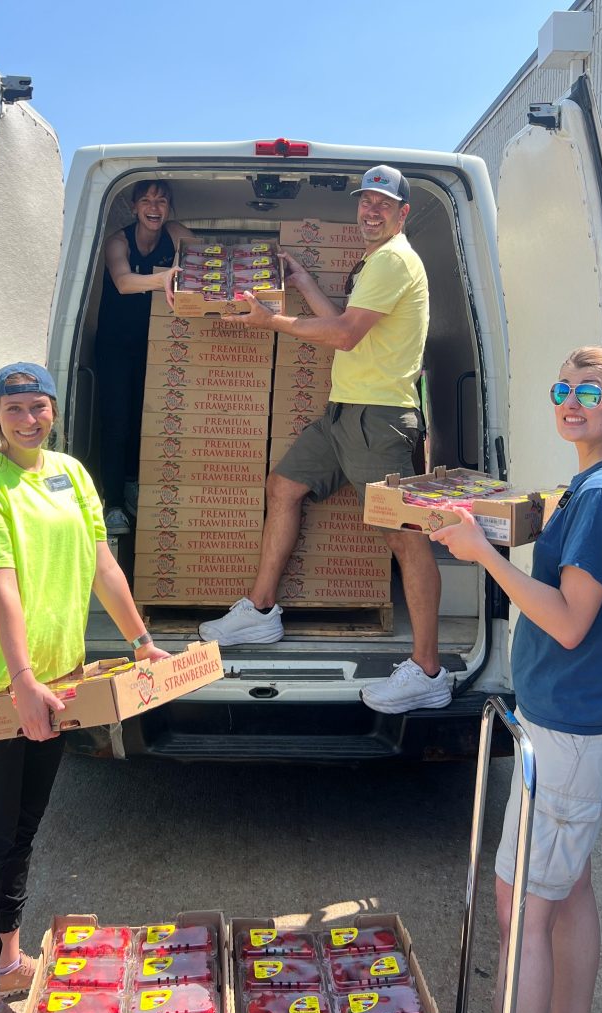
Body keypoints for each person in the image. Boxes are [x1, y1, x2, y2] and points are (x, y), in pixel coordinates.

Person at [430, 347, 602, 1013]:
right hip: (583, 721)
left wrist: (483, 556)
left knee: (521, 909)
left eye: (590, 392)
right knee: (569, 888)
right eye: (563, 387)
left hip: (572, 729)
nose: (570, 401)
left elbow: (566, 621)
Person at [0, 362, 169, 1013]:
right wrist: (21, 682)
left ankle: (8, 958)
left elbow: (102, 562)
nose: (28, 419)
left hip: (58, 681)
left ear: (54, 411)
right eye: (14, 409)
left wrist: (140, 640)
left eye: (38, 406)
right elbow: (1, 582)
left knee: (22, 829)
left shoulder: (71, 473)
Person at [199, 165, 448, 711]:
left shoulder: (393, 259)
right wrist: (303, 281)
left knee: (406, 538)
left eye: (384, 204)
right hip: (343, 415)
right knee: (284, 486)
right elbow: (344, 325)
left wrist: (272, 322)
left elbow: (341, 335)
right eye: (366, 202)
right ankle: (262, 613)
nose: (371, 211)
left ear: (403, 214)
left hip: (379, 420)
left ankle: (428, 671)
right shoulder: (375, 262)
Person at [95, 181, 195, 533]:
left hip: (155, 343)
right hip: (114, 344)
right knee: (117, 422)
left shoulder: (175, 233)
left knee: (146, 418)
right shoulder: (118, 241)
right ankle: (114, 504)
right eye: (147, 201)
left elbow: (200, 254)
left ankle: (135, 485)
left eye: (162, 201)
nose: (155, 207)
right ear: (135, 206)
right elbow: (123, 282)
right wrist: (166, 278)